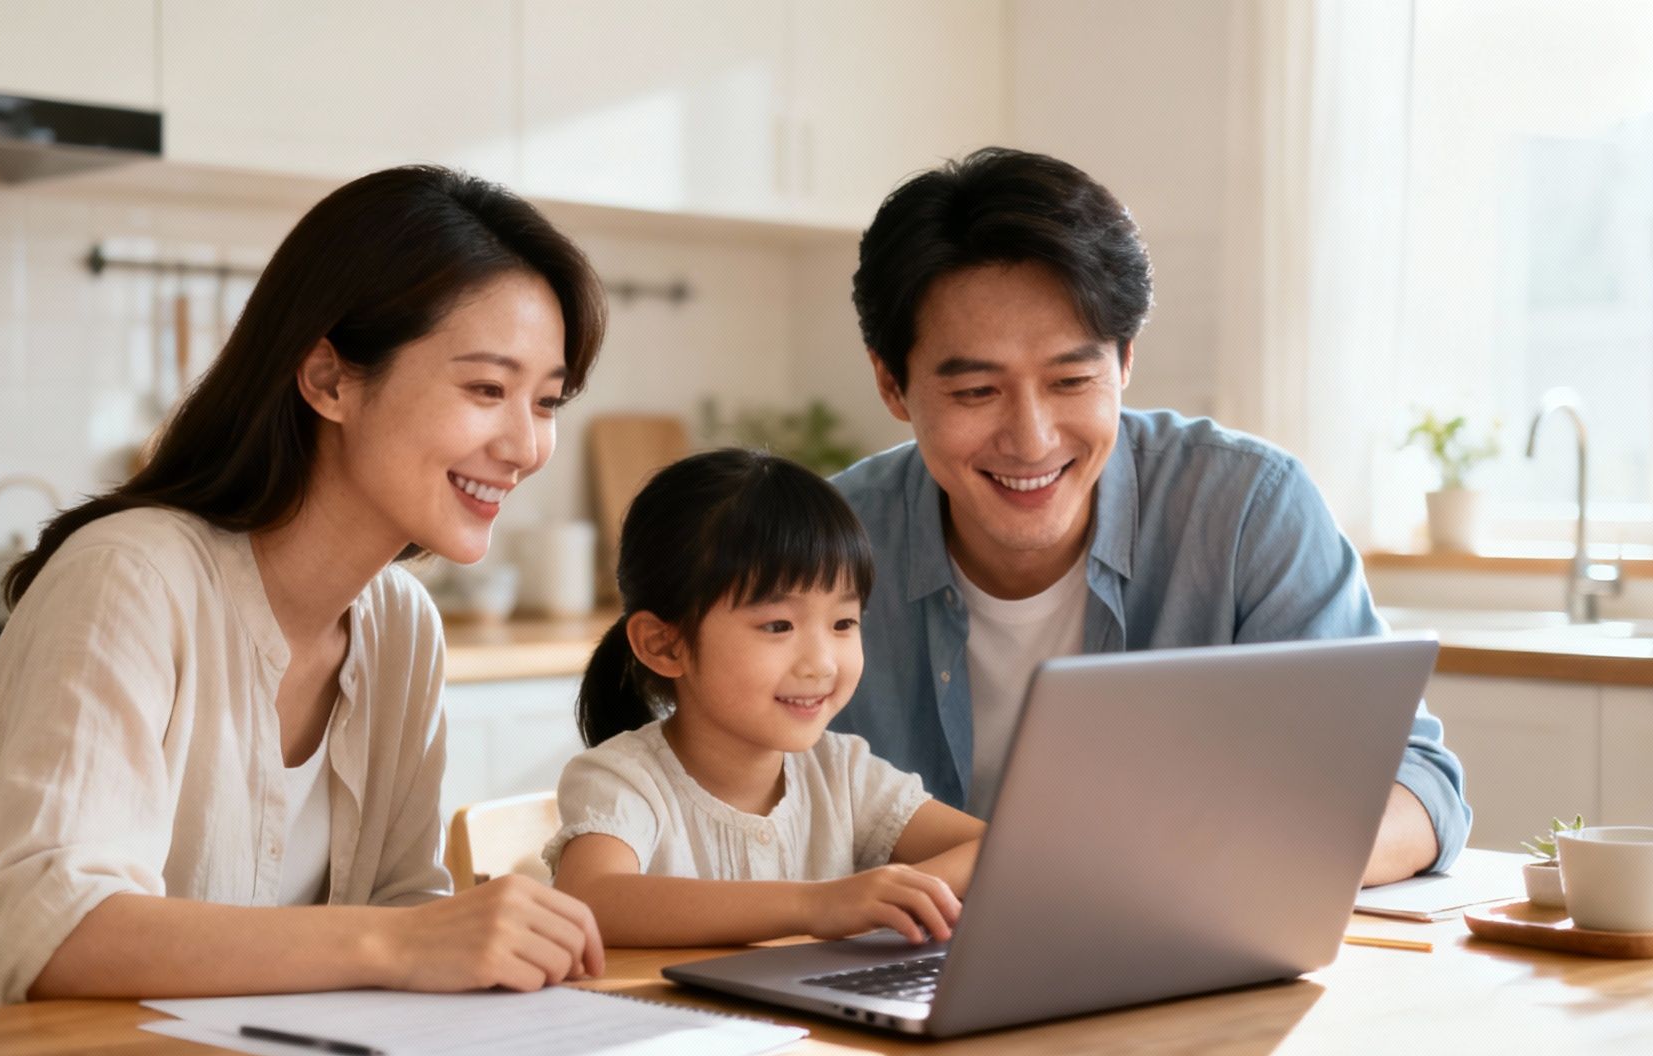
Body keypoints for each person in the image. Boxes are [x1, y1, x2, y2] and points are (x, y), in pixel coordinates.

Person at [0, 166, 610, 1056]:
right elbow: (47, 928)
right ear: (327, 379)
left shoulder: (400, 627)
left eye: (547, 400)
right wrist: (405, 943)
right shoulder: (132, 576)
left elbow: (402, 909)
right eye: (487, 389)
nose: (526, 445)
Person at [828, 148, 1471, 886]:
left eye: (1072, 380)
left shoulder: (1243, 511)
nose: (1032, 439)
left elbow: (1417, 787)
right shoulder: (828, 545)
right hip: (889, 967)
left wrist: (1214, 875)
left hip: (1182, 953)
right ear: (892, 384)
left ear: (1125, 361)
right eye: (977, 392)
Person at [547, 449, 985, 947]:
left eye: (844, 623)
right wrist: (819, 904)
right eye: (778, 625)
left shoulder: (842, 773)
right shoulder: (623, 780)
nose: (821, 663)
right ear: (664, 644)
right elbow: (591, 899)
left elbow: (1000, 848)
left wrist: (898, 897)